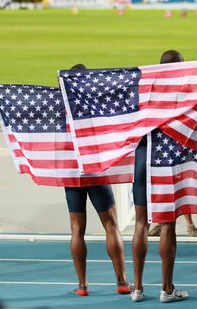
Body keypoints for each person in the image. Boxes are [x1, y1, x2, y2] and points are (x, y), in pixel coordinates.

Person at [66, 64, 130, 297]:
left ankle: (82, 286)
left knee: (76, 230)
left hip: (72, 171)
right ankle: (122, 282)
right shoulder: (97, 105)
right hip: (95, 168)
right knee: (111, 225)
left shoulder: (64, 106)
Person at [130, 50, 189, 303]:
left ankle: (138, 288)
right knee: (168, 224)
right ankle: (166, 289)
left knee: (140, 223)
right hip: (166, 159)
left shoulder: (144, 87)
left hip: (143, 156)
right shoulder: (185, 89)